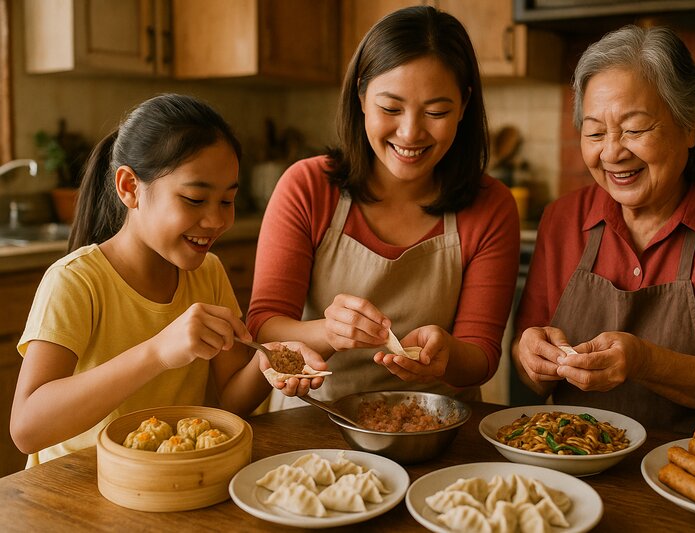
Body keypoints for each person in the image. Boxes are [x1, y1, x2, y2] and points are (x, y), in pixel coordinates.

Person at [513, 25, 695, 442]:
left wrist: (644, 361)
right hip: (589, 473)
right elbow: (531, 377)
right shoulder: (562, 219)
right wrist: (532, 358)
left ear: (690, 127)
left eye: (635, 129)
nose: (612, 152)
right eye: (594, 132)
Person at [10, 94, 327, 466]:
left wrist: (270, 362)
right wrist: (158, 351)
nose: (216, 221)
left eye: (227, 201)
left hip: (171, 481)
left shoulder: (208, 272)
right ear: (129, 187)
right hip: (78, 486)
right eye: (194, 199)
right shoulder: (76, 282)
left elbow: (231, 399)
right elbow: (27, 427)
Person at [246, 6, 520, 410]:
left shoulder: (491, 205)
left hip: (437, 427)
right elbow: (265, 323)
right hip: (312, 424)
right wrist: (329, 332)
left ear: (464, 105)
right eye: (391, 108)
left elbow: (481, 355)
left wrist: (446, 356)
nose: (410, 132)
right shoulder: (307, 186)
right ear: (360, 96)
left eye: (436, 112)